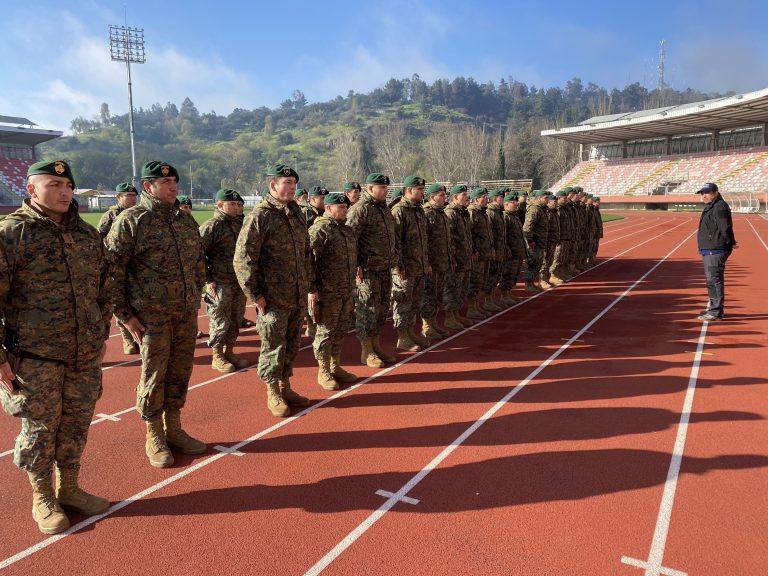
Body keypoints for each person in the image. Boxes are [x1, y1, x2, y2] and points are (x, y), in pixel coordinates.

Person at [0, 160, 111, 534]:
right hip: (35, 357)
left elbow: (104, 287)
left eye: (68, 185)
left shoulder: (86, 235)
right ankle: (42, 495)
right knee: (41, 428)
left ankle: (70, 487)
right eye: (54, 184)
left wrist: (100, 331)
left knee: (76, 423)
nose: (65, 192)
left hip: (82, 352)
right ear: (31, 190)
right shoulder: (11, 233)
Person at [105, 161, 207, 468]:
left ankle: (174, 427)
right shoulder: (131, 221)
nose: (173, 186)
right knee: (154, 374)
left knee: (180, 372)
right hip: (151, 316)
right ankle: (154, 433)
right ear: (149, 188)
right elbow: (111, 271)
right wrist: (124, 315)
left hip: (185, 312)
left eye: (174, 181)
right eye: (165, 183)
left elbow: (198, 261)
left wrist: (195, 291)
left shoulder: (185, 221)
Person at [234, 164, 314, 417]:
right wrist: (254, 294)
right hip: (273, 297)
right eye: (286, 182)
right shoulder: (261, 216)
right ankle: (273, 391)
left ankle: (285, 385)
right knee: (273, 346)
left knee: (291, 344)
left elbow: (305, 252)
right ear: (272, 186)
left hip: (296, 293)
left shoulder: (298, 214)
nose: (291, 187)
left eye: (293, 183)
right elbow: (243, 259)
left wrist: (308, 284)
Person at [346, 173, 399, 368]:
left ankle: (376, 345)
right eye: (382, 188)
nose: (386, 191)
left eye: (386, 187)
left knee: (381, 309)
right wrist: (356, 266)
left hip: (384, 268)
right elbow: (350, 240)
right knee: (367, 309)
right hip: (367, 270)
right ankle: (366, 350)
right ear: (370, 189)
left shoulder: (383, 209)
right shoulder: (361, 209)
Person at [308, 192, 358, 390]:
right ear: (329, 209)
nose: (345, 210)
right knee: (326, 331)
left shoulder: (346, 230)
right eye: (341, 208)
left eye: (346, 207)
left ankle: (335, 365)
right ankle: (323, 370)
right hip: (327, 291)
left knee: (341, 328)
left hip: (345, 288)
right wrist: (312, 289)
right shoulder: (319, 230)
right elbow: (309, 262)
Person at [199, 189, 250, 373]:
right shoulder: (212, 226)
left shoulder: (241, 224)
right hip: (220, 282)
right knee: (220, 319)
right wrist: (208, 279)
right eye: (233, 204)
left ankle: (229, 351)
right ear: (220, 205)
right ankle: (217, 356)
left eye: (239, 204)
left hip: (239, 281)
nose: (237, 207)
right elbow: (197, 254)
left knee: (236, 318)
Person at [97, 181, 140, 354]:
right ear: (118, 197)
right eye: (127, 195)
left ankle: (137, 335)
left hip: (134, 267)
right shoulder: (111, 215)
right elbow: (100, 239)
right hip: (116, 265)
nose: (131, 198)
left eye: (133, 195)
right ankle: (127, 340)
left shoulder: (138, 214)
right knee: (120, 303)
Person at [390, 176, 431, 352]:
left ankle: (410, 331)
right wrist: (398, 266)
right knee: (403, 302)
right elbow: (395, 241)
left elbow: (423, 240)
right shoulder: (399, 210)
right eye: (419, 189)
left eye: (423, 189)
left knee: (415, 301)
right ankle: (402, 337)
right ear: (408, 190)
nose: (423, 192)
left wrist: (426, 262)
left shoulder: (418, 210)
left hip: (419, 265)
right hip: (405, 268)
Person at [696, 182, 736, 321]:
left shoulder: (719, 206)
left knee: (714, 279)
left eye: (706, 192)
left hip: (716, 249)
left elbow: (725, 227)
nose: (704, 195)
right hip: (710, 248)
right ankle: (714, 308)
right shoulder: (711, 206)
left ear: (715, 192)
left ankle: (716, 311)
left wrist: (728, 242)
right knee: (711, 280)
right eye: (702, 193)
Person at [421, 183, 454, 338]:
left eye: (444, 195)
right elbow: (423, 240)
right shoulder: (427, 213)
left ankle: (433, 323)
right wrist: (426, 262)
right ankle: (426, 326)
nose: (444, 198)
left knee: (437, 294)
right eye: (441, 195)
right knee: (428, 295)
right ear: (432, 197)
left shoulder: (441, 213)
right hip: (432, 263)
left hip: (442, 261)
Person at [442, 185, 474, 329]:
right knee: (452, 288)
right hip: (456, 259)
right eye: (463, 194)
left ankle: (455, 314)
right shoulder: (451, 213)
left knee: (461, 288)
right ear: (455, 197)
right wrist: (453, 257)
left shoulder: (462, 212)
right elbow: (449, 239)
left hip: (464, 258)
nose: (467, 197)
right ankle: (449, 317)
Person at [302, 186, 328, 338]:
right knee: (311, 293)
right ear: (312, 200)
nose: (324, 201)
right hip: (310, 256)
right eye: (321, 198)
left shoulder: (325, 213)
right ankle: (311, 324)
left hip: (322, 259)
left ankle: (317, 322)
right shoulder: (306, 214)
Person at [467, 187, 493, 318]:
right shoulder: (472, 212)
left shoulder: (482, 212)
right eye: (483, 196)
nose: (487, 199)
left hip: (484, 253)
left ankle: (476, 306)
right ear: (476, 199)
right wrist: (473, 250)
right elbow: (468, 234)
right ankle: (471, 308)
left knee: (480, 281)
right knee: (474, 281)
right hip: (476, 255)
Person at [522, 190, 550, 292]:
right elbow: (528, 227)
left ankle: (532, 283)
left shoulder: (542, 209)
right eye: (545, 198)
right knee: (532, 263)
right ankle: (528, 284)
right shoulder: (534, 209)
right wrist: (530, 241)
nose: (548, 200)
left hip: (540, 242)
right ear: (539, 198)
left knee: (537, 263)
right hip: (535, 243)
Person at [501, 191, 525, 303]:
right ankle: (504, 295)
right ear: (506, 205)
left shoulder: (514, 217)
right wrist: (507, 249)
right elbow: (503, 236)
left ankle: (509, 292)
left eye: (516, 202)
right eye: (513, 202)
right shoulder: (505, 217)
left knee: (513, 274)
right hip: (510, 252)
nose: (516, 204)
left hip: (517, 251)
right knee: (508, 273)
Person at [484, 187, 507, 308]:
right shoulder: (490, 213)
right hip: (492, 251)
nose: (503, 199)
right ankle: (487, 301)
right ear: (494, 199)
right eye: (501, 197)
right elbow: (489, 234)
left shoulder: (498, 212)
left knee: (496, 276)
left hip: (499, 250)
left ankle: (491, 299)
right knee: (491, 276)